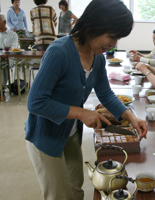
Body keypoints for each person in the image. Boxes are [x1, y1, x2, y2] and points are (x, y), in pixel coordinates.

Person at [25, 0, 147, 200]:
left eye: (118, 39)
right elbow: (36, 102)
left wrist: (130, 117)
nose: (113, 44)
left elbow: (106, 94)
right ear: (95, 24)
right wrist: (80, 112)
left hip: (70, 134)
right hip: (45, 137)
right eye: (112, 37)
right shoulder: (60, 51)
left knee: (76, 189)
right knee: (60, 194)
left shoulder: (97, 56)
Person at [0, 13, 18, 101]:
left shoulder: (13, 35)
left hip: (9, 59)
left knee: (2, 64)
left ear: (4, 22)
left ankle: (1, 89)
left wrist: (5, 52)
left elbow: (14, 49)